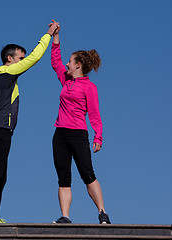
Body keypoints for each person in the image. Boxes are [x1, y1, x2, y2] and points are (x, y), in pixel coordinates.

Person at [0, 21, 59, 224]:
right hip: (0, 130)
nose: (23, 61)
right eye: (20, 58)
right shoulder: (8, 73)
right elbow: (35, 57)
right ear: (10, 59)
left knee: (0, 174)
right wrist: (48, 34)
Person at [49, 20, 111, 224]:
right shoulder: (65, 79)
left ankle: (102, 213)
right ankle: (65, 217)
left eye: (70, 61)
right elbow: (55, 61)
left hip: (78, 134)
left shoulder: (89, 87)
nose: (66, 64)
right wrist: (56, 36)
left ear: (78, 65)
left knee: (87, 174)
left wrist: (98, 136)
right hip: (60, 135)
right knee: (63, 178)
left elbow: (94, 114)